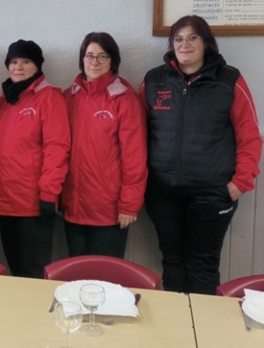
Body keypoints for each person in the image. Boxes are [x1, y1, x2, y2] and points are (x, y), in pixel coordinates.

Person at [140, 15, 262, 295]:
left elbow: (249, 135)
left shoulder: (229, 80)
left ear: (206, 42)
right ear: (172, 44)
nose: (185, 44)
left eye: (193, 37)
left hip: (212, 193)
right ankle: (178, 332)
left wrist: (240, 182)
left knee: (203, 266)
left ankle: (201, 334)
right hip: (163, 193)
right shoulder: (154, 80)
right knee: (172, 263)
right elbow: (137, 133)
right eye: (178, 38)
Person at [61, 32, 147, 258]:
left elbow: (135, 157)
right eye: (89, 56)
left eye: (102, 56)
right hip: (73, 207)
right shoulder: (68, 97)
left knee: (107, 280)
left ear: (113, 61)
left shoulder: (125, 99)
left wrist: (129, 205)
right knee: (76, 278)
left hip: (109, 211)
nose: (94, 62)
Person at [0, 40, 70, 278]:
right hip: (6, 202)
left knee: (33, 274)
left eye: (25, 62)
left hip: (33, 204)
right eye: (13, 62)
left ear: (37, 66)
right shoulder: (4, 100)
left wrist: (49, 193)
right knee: (15, 271)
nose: (18, 67)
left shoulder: (49, 98)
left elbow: (57, 148)